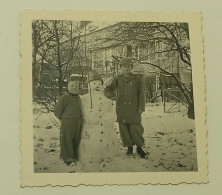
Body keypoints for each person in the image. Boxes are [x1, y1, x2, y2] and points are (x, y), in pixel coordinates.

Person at [104, 58, 148, 158]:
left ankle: (140, 147)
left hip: (134, 108)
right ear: (121, 68)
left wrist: (141, 107)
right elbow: (110, 88)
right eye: (124, 66)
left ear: (132, 67)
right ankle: (129, 148)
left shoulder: (137, 79)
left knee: (135, 128)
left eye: (128, 66)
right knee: (124, 129)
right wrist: (109, 93)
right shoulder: (117, 78)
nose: (126, 68)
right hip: (122, 108)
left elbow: (141, 94)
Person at [78, 70, 119, 171]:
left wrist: (110, 118)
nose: (96, 86)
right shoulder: (84, 99)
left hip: (106, 129)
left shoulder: (107, 100)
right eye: (94, 83)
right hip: (90, 129)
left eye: (99, 84)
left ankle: (107, 154)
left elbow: (112, 113)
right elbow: (81, 113)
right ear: (89, 85)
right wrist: (89, 116)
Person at [54, 81, 82, 165]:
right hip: (68, 122)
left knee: (76, 140)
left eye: (76, 86)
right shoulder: (64, 97)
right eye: (72, 86)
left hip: (78, 121)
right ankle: (67, 158)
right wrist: (65, 119)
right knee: (67, 140)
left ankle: (74, 156)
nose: (74, 87)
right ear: (68, 87)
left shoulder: (78, 97)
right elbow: (57, 111)